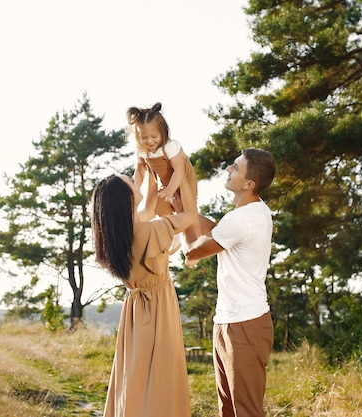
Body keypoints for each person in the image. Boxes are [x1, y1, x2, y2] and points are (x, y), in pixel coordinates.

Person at [91, 170, 197, 417]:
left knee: (135, 372)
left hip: (135, 309)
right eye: (131, 182)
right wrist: (181, 182)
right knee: (162, 374)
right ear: (127, 198)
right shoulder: (153, 230)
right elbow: (190, 216)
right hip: (159, 305)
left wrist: (148, 171)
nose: (134, 181)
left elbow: (147, 206)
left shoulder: (117, 237)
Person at [185, 148, 276, 417]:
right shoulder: (252, 213)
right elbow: (216, 231)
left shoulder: (242, 219)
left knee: (245, 411)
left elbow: (192, 252)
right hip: (228, 322)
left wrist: (178, 222)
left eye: (236, 167)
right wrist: (184, 211)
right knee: (228, 410)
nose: (228, 170)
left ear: (249, 184)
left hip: (244, 325)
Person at [127, 102, 206, 260]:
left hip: (183, 182)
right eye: (144, 138)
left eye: (154, 136)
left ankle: (194, 245)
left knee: (186, 210)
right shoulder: (143, 151)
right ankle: (173, 232)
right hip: (165, 184)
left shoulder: (171, 146)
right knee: (161, 208)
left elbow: (179, 170)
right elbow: (141, 170)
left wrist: (171, 189)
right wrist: (135, 187)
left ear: (163, 133)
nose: (149, 141)